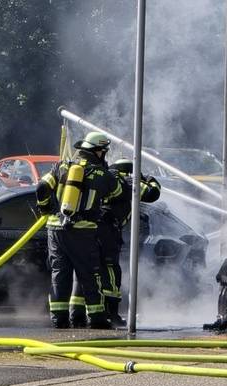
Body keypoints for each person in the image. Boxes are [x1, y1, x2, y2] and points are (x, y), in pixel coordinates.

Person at [36, 131, 122, 329]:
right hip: (82, 231)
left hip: (55, 229)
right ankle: (97, 319)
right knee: (90, 275)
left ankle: (59, 319)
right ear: (98, 151)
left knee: (59, 274)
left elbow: (41, 187)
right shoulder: (102, 174)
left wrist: (45, 208)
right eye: (104, 152)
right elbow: (117, 193)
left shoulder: (62, 166)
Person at [69, 158, 161, 328]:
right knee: (110, 271)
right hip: (107, 231)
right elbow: (153, 193)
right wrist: (148, 178)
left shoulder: (104, 179)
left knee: (85, 270)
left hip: (86, 230)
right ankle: (111, 314)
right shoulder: (127, 181)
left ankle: (77, 315)